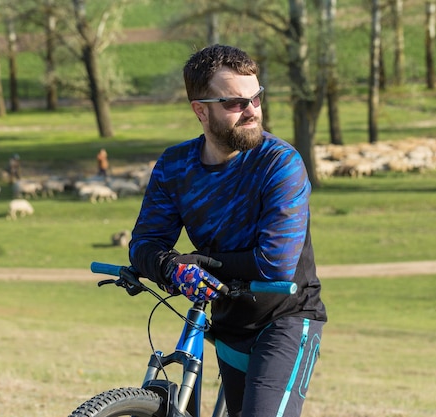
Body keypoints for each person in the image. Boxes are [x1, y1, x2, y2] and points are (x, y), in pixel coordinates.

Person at [128, 44, 327, 417]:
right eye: (235, 103)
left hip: (286, 317)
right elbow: (144, 243)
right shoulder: (175, 165)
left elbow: (275, 265)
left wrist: (198, 262)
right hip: (226, 320)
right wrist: (173, 269)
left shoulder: (280, 164)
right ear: (201, 110)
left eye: (256, 97)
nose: (252, 110)